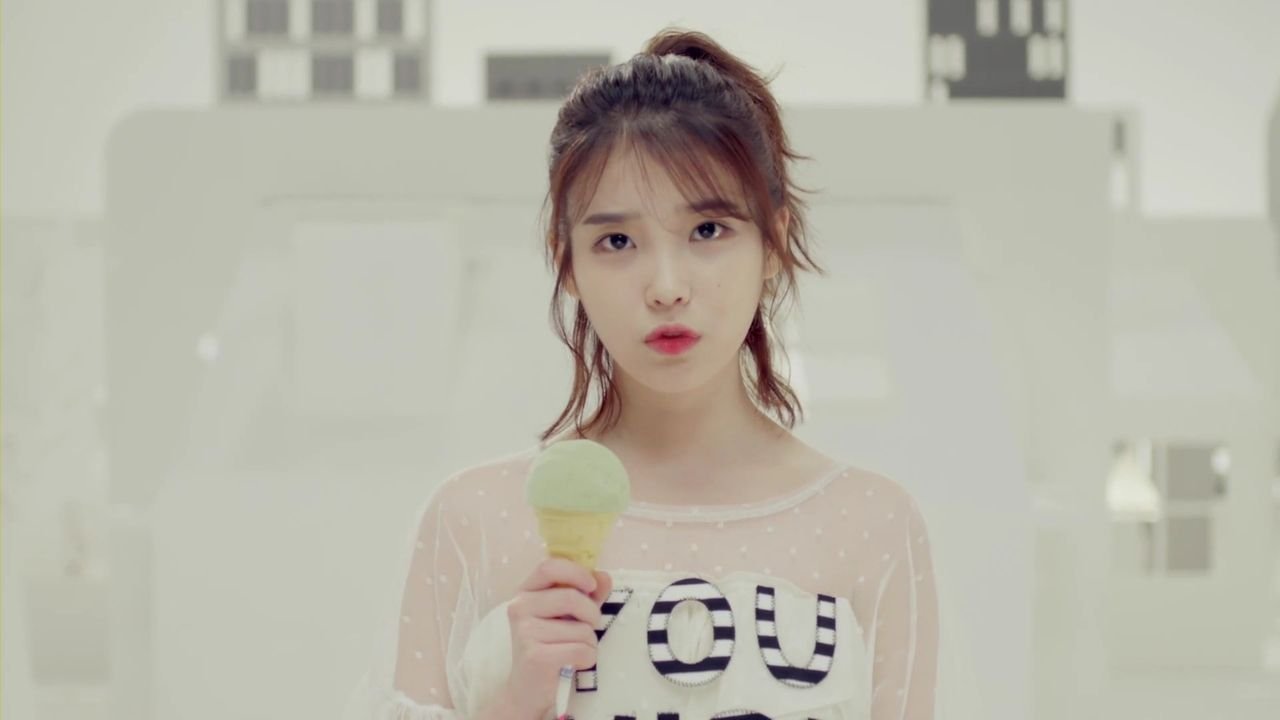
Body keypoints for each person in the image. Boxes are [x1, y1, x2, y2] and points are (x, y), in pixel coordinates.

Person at [346, 26, 939, 720]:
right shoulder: (475, 519)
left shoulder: (870, 524)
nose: (666, 287)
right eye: (618, 240)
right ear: (567, 262)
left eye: (708, 231)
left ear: (773, 243)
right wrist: (513, 702)